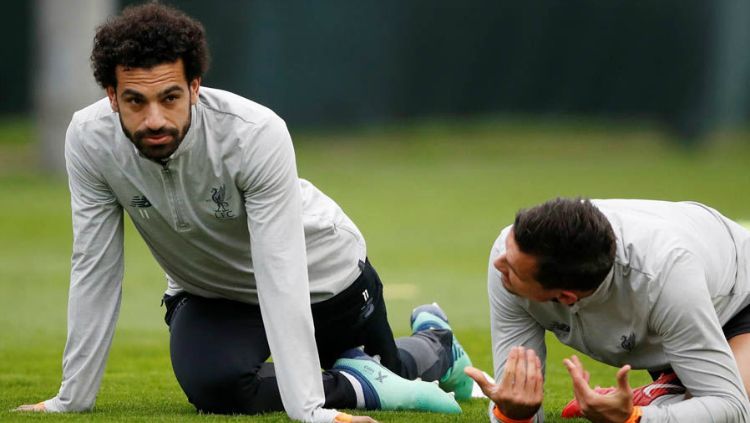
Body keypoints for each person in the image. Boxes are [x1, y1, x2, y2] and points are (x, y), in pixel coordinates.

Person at [15, 4, 474, 422]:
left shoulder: (255, 133)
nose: (154, 118)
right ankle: (360, 382)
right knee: (214, 386)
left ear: (195, 87)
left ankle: (436, 345)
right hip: (214, 296)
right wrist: (71, 398)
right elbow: (95, 267)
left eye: (170, 98)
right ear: (112, 96)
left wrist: (309, 409)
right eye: (136, 100)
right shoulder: (89, 139)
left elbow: (281, 271)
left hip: (323, 279)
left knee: (399, 368)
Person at [466, 197, 750, 423]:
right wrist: (515, 415)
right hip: (673, 318)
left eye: (511, 269)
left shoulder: (665, 278)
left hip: (738, 299)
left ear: (565, 296)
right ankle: (671, 386)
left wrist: (634, 418)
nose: (498, 265)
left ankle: (664, 393)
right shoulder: (512, 252)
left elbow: (733, 408)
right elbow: (514, 396)